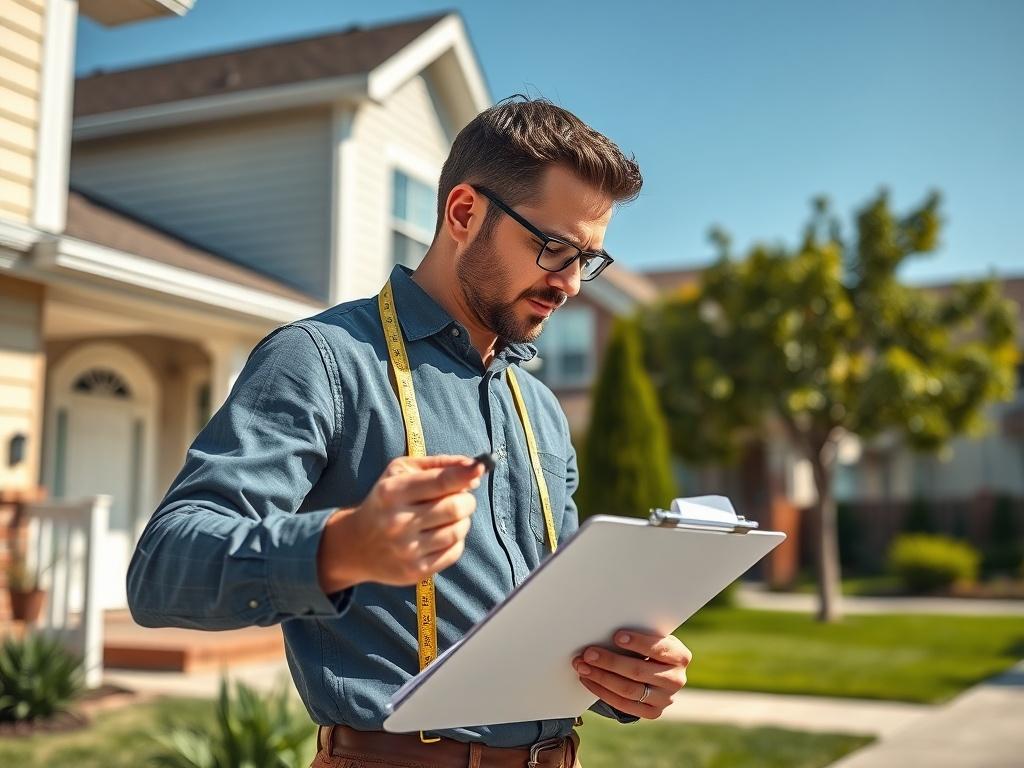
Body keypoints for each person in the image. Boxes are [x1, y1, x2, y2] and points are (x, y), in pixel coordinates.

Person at [127, 96, 692, 768]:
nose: (570, 283)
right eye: (553, 248)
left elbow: (555, 619)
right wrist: (340, 548)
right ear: (464, 213)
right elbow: (163, 570)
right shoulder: (323, 360)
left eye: (587, 260)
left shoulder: (540, 408)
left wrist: (626, 673)